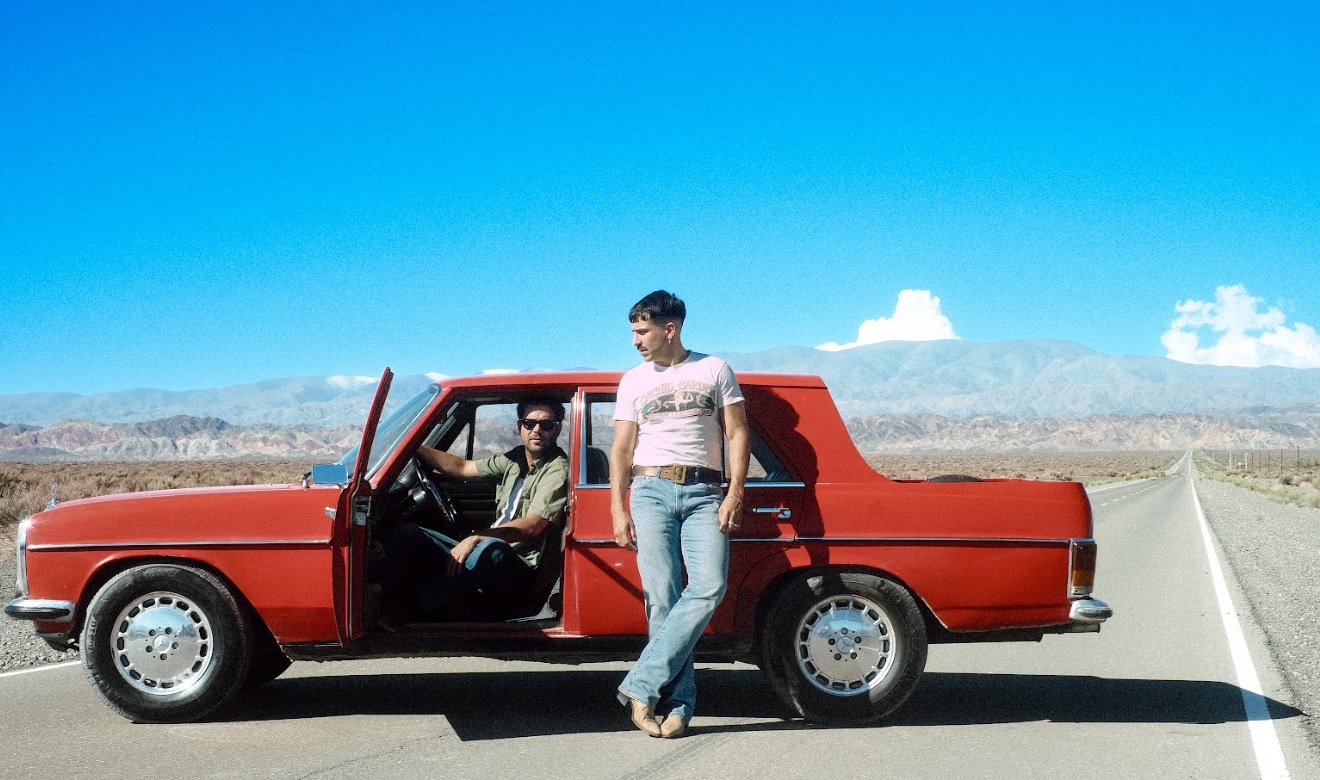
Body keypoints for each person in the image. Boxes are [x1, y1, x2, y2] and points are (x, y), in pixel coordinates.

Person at [611, 290, 750, 738]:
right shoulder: (633, 380)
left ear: (669, 329)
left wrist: (735, 492)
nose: (635, 341)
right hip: (649, 490)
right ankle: (678, 705)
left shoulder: (714, 369)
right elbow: (622, 448)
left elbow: (737, 433)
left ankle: (640, 685)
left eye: (642, 331)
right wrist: (617, 507)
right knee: (662, 600)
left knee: (710, 586)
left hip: (705, 491)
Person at [378, 399, 569, 625]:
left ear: (557, 428)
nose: (536, 430)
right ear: (520, 426)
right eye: (529, 423)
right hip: (491, 555)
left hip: (519, 569)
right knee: (407, 534)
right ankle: (387, 600)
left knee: (491, 550)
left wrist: (478, 537)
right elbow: (462, 468)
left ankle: (411, 609)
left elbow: (532, 526)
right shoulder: (516, 459)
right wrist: (412, 445)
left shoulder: (557, 468)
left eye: (546, 425)